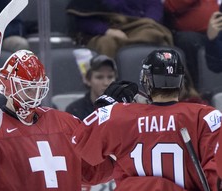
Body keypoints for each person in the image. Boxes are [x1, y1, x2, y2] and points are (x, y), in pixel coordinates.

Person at [0, 50, 119, 190]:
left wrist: (116, 140)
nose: (35, 96)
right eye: (28, 89)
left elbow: (95, 171)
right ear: (7, 86)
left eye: (38, 89)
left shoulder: (66, 123)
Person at [72, 49, 221, 190]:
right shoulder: (206, 116)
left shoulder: (118, 115)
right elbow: (217, 175)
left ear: (146, 80)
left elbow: (80, 163)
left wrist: (103, 110)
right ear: (181, 81)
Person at [66, 0, 173, 58]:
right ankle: (111, 88)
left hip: (138, 28)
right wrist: (107, 31)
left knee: (152, 33)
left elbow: (154, 10)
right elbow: (83, 20)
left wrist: (146, 22)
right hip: (103, 33)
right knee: (107, 43)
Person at [163, 0, 220, 88]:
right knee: (187, 40)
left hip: (218, 32)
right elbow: (172, 6)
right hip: (193, 34)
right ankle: (194, 89)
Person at [66, 54, 118, 120]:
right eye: (99, 77)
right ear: (87, 80)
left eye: (110, 77)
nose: (106, 83)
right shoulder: (74, 111)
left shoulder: (123, 109)